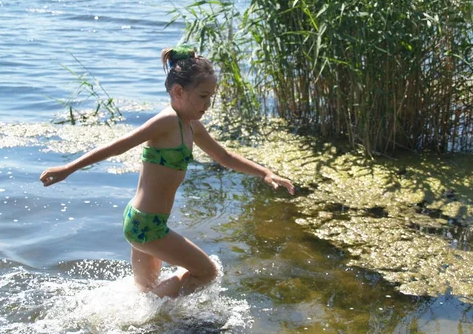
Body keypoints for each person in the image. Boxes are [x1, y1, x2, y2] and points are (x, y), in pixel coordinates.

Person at [39, 46, 295, 298]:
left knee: (145, 290)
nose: (208, 104)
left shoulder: (192, 126)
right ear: (178, 91)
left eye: (211, 97)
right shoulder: (167, 121)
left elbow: (224, 157)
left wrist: (265, 173)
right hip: (147, 226)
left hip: (143, 221)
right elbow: (118, 146)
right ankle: (143, 317)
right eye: (203, 96)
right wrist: (69, 168)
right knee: (207, 272)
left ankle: (142, 321)